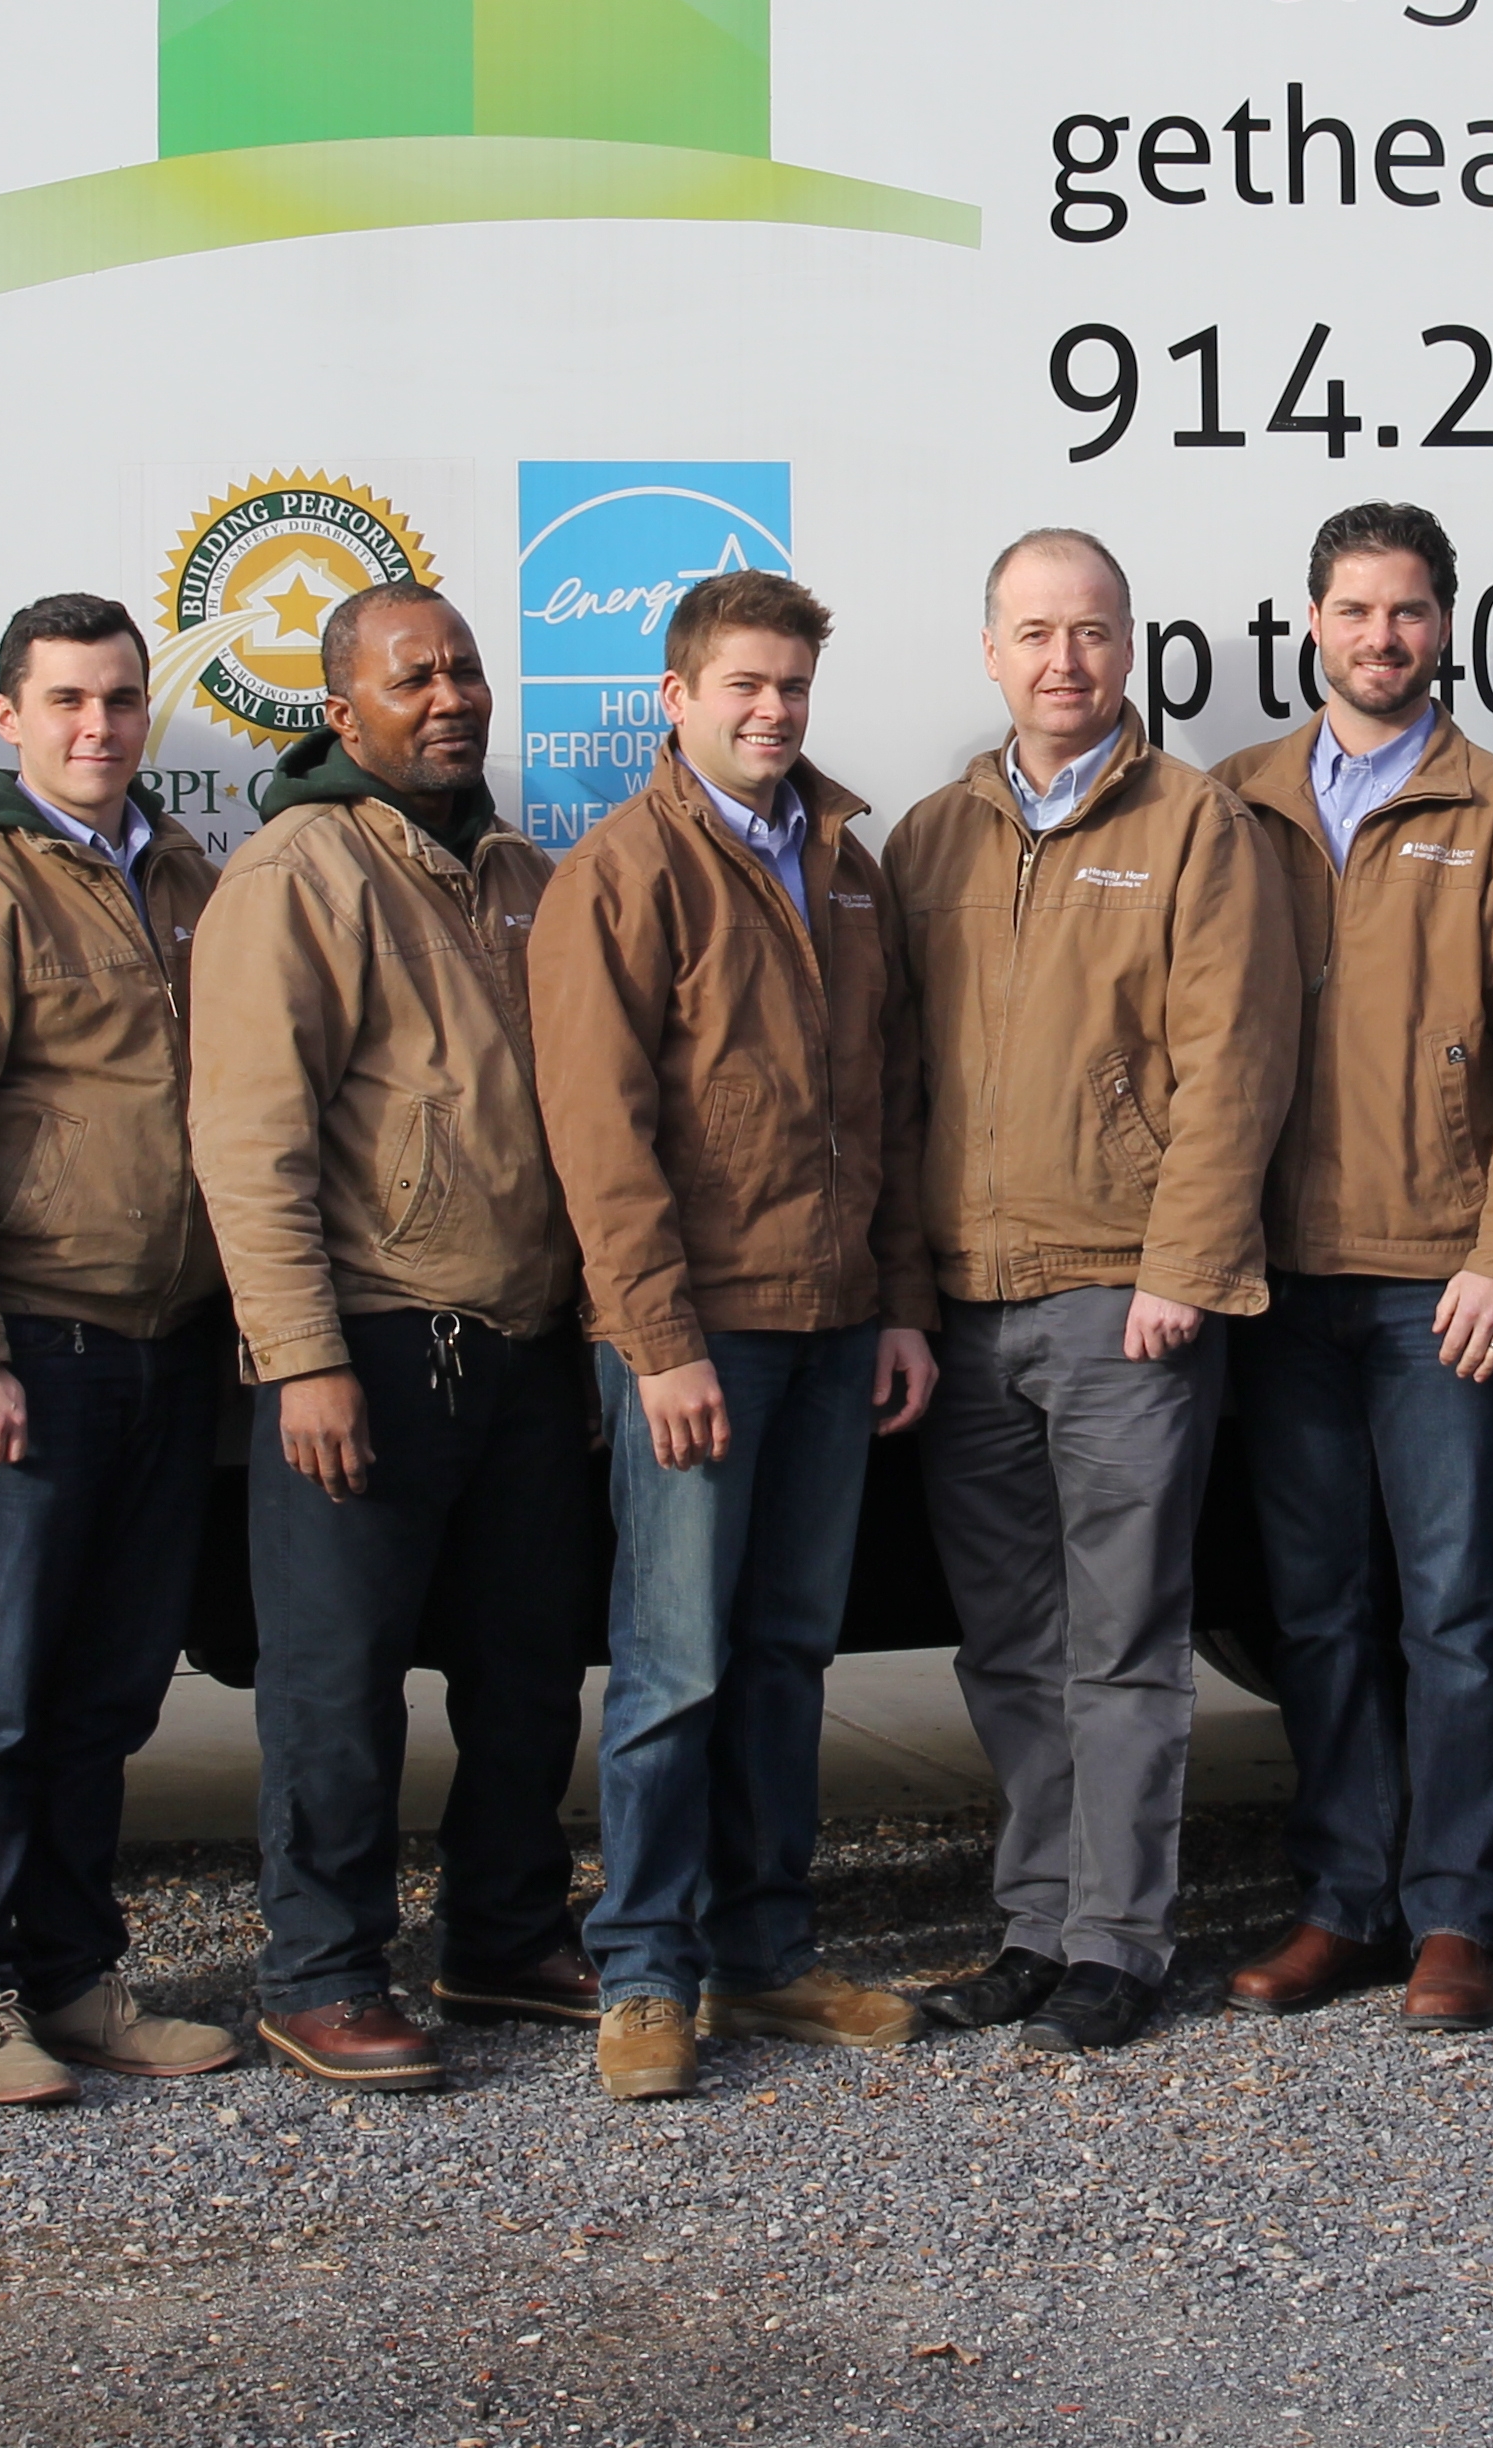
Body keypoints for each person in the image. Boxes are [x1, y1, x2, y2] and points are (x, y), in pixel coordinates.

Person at [187, 581, 602, 2095]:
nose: (451, 696)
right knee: (337, 1684)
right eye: (412, 675)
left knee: (525, 1672)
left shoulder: (510, 872)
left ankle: (502, 1932)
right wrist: (300, 1359)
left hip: (521, 1343)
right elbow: (249, 1138)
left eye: (467, 670)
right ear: (339, 707)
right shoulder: (297, 875)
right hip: (369, 1349)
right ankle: (320, 1972)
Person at [531, 566, 936, 2104]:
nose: (773, 711)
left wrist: (899, 1302)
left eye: (793, 688)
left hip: (835, 1334)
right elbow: (600, 1133)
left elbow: (886, 1103)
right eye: (744, 687)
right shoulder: (625, 875)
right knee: (675, 1663)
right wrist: (658, 1342)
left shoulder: (846, 863)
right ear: (676, 698)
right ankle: (648, 1969)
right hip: (700, 1342)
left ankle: (766, 1958)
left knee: (784, 1658)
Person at [887, 529, 1294, 2058]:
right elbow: (894, 1083)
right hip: (969, 1307)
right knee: (1006, 1643)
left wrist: (1183, 1268)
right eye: (1037, 632)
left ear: (1132, 650)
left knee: (1124, 1640)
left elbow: (1233, 1061)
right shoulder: (928, 840)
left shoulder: (1194, 825)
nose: (1067, 659)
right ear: (990, 652)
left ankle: (1120, 1941)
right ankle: (1035, 1922)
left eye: (1094, 631)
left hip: (1127, 1305)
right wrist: (908, 1295)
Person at [0, 592, 241, 2106]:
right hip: (26, 1353)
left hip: (161, 1347)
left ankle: (73, 1978)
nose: (99, 728)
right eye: (67, 702)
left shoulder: (187, 879)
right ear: (10, 719)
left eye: (122, 700)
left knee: (110, 1692)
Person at [1212, 505, 1493, 2034]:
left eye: (1411, 612)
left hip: (1445, 1286)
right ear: (1311, 624)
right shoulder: (1231, 803)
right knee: (1315, 1609)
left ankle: (1458, 1916)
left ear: (1446, 628)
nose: (1385, 637)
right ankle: (1345, 1900)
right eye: (1359, 611)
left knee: (1456, 1609)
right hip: (1281, 1282)